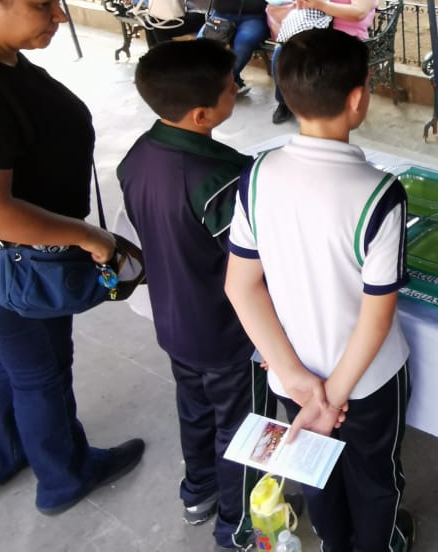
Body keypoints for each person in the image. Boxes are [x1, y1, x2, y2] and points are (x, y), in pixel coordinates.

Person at [225, 29, 415, 552]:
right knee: (375, 477)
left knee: (315, 467)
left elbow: (241, 287)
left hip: (297, 379)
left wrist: (299, 383)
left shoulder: (257, 175)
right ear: (359, 98)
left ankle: (335, 543)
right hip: (368, 383)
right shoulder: (380, 194)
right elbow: (376, 317)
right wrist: (333, 397)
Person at [0, 0, 145, 515]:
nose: (59, 15)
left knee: (9, 356)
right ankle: (65, 474)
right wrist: (89, 237)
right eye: (43, 3)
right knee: (42, 369)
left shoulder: (2, 58)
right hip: (7, 259)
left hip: (18, 254)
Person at [117, 40, 260, 551]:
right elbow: (251, 266)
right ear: (203, 114)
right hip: (228, 332)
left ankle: (197, 492)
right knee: (242, 425)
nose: (236, 91)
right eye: (230, 88)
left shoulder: (136, 157)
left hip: (174, 321)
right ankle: (236, 522)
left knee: (195, 408)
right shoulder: (223, 178)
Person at [270, 0, 378, 125]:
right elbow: (313, 1)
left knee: (308, 58)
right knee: (282, 52)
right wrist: (303, 1)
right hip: (318, 32)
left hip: (347, 37)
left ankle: (316, 104)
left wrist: (323, 5)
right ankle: (285, 102)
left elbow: (359, 12)